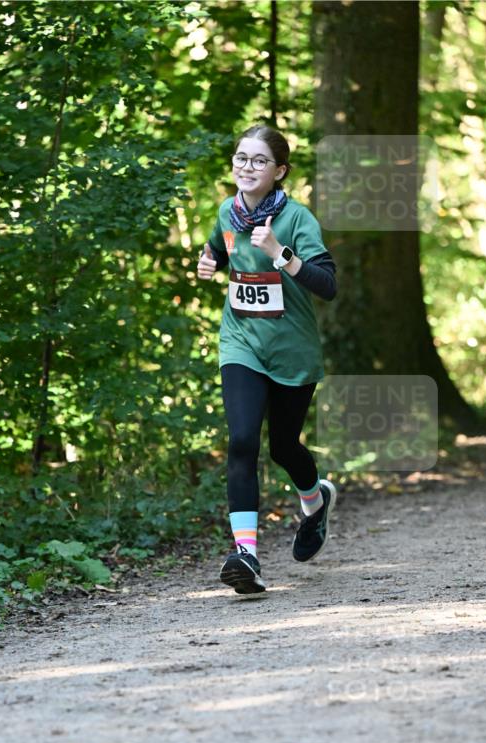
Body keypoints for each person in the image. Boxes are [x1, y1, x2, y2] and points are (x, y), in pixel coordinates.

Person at [197, 123, 338, 595]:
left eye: (258, 161)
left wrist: (281, 254)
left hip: (292, 352)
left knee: (283, 447)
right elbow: (219, 250)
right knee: (241, 441)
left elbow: (328, 284)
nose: (247, 167)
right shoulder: (227, 212)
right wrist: (209, 261)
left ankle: (316, 503)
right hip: (240, 343)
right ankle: (247, 556)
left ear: (279, 171)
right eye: (241, 158)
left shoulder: (298, 219)